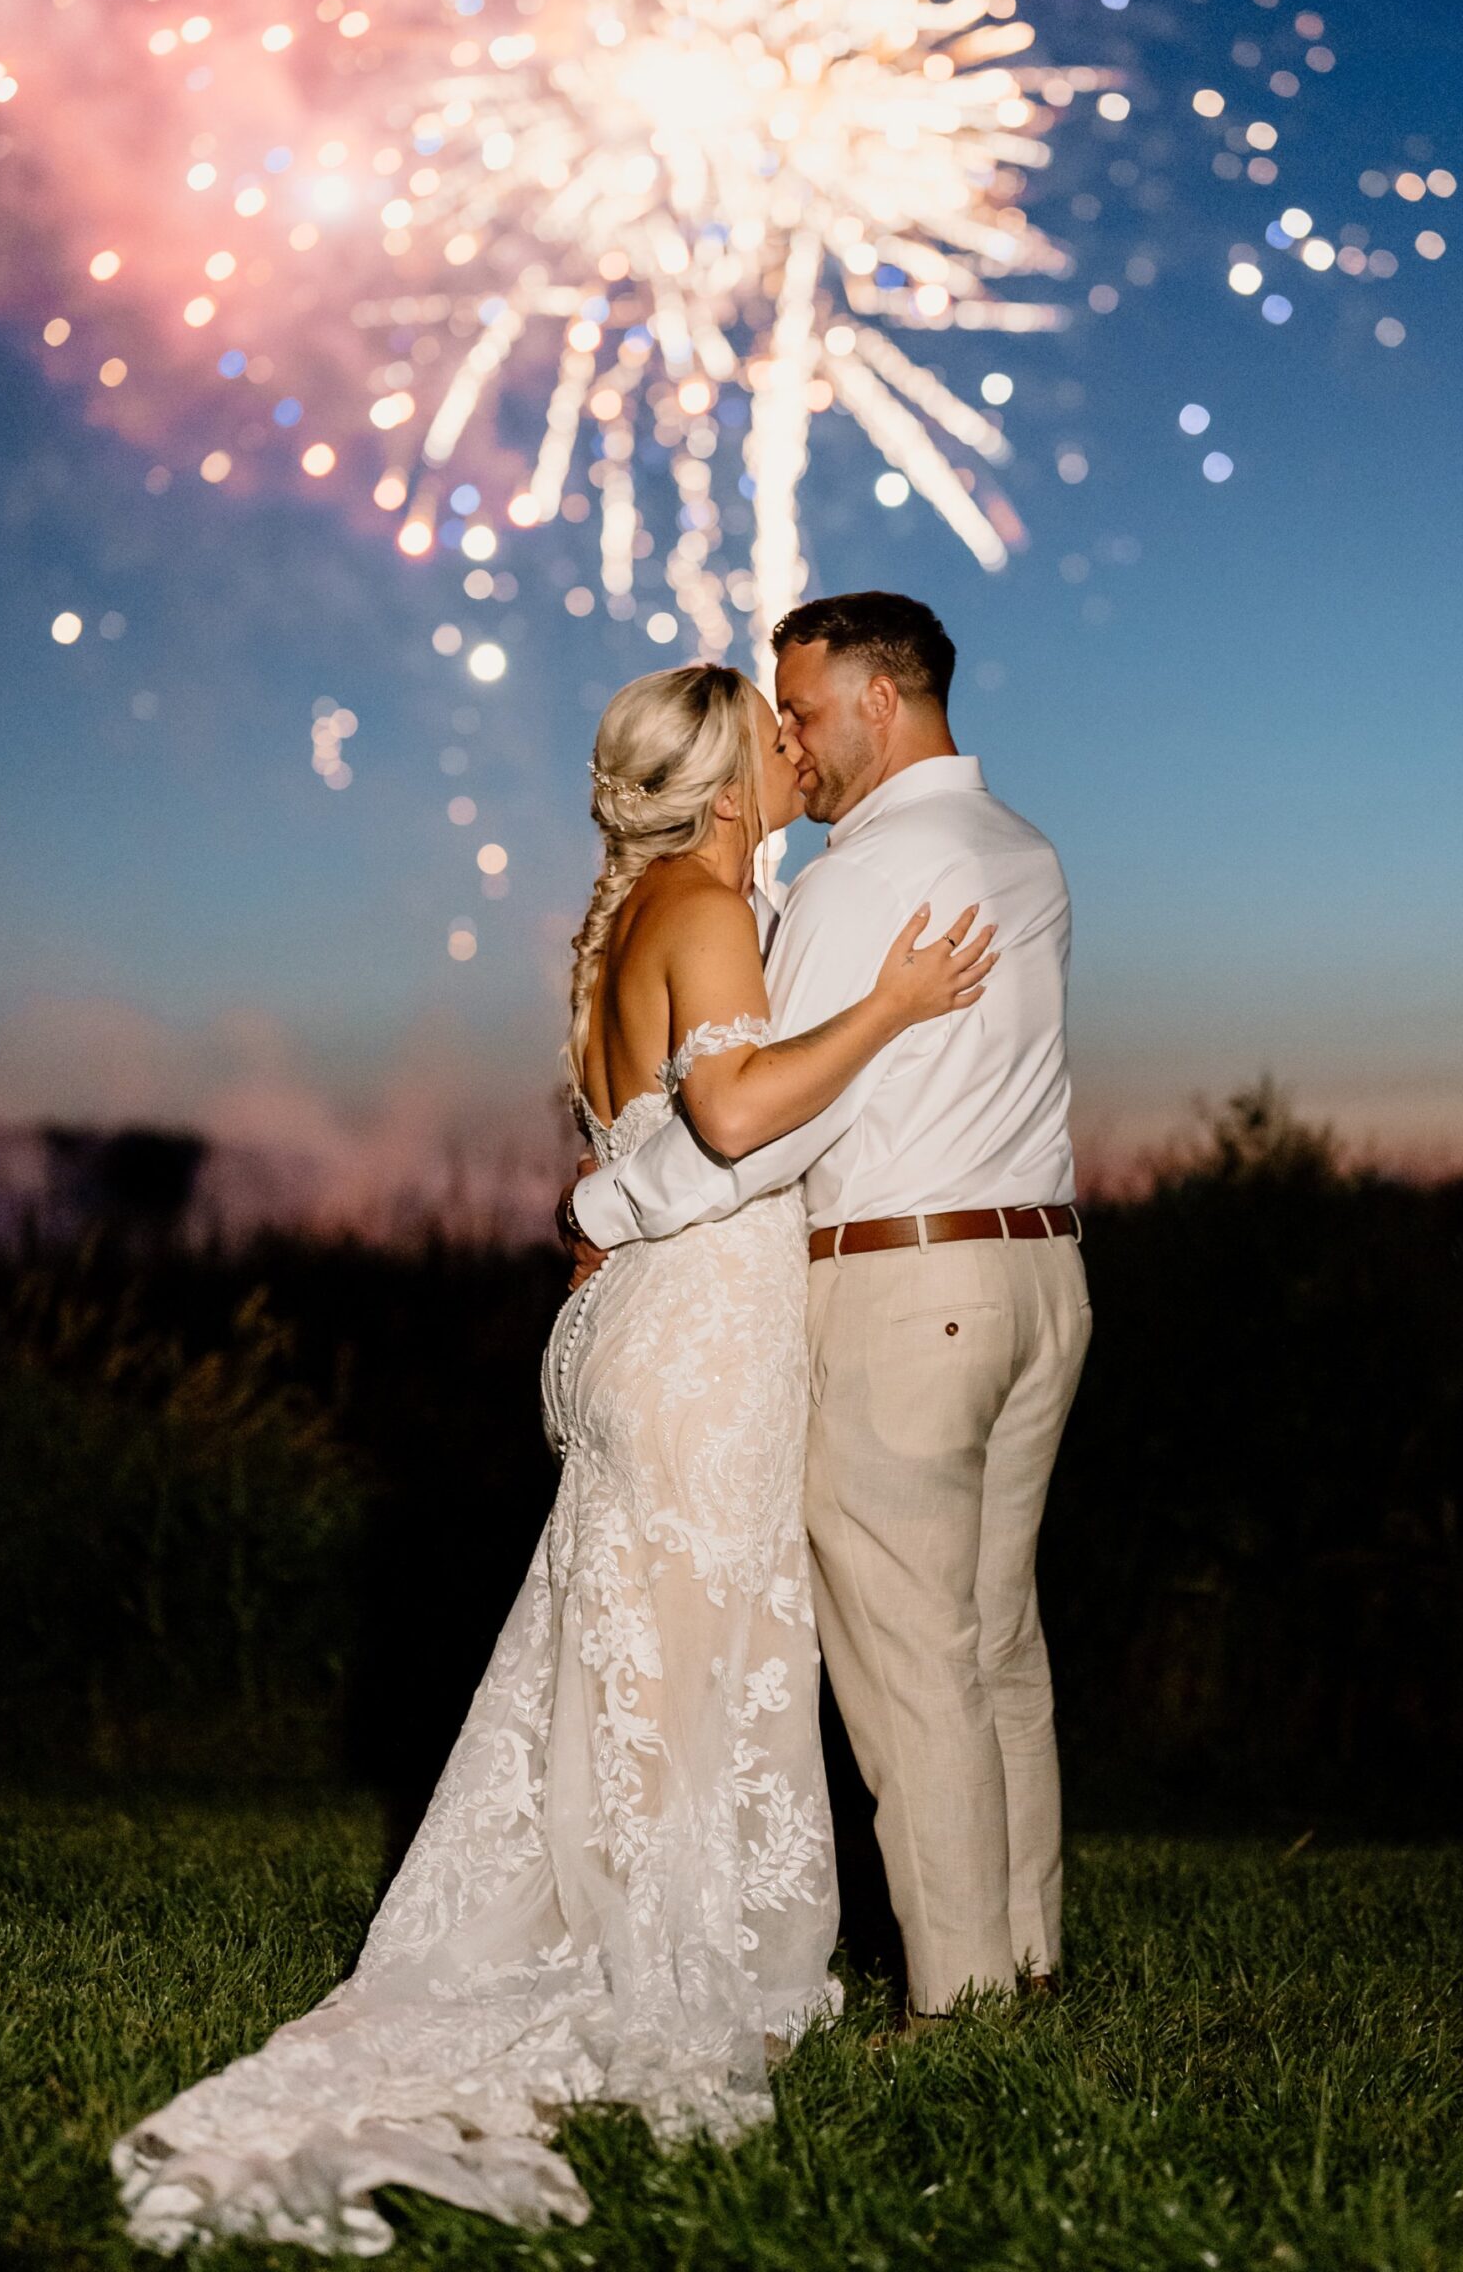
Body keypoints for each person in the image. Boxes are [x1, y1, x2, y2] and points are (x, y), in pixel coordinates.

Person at [111, 659, 990, 2256]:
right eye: (774, 739)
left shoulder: (637, 917)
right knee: (696, 1643)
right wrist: (889, 1009)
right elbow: (730, 1117)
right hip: (700, 1342)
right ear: (729, 781)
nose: (798, 754)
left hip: (631, 1332)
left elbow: (646, 1151)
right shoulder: (705, 907)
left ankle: (641, 1925)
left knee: (639, 1651)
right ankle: (662, 1966)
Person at [567, 592, 1089, 2026]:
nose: (789, 743)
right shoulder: (1024, 851)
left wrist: (609, 1206)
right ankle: (1031, 1952)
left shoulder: (862, 880)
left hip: (903, 1286)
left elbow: (765, 1124)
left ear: (879, 698)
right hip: (1041, 1272)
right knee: (995, 1636)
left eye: (801, 709)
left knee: (910, 1653)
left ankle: (964, 1998)